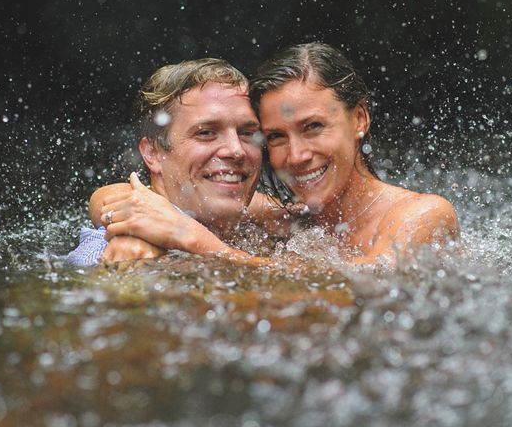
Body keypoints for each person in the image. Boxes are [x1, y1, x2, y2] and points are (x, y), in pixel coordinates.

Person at [96, 43, 458, 266]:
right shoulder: (283, 217)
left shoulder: (421, 215)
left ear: (360, 118)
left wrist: (193, 241)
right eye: (276, 136)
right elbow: (134, 197)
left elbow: (363, 289)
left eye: (314, 126)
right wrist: (131, 231)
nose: (297, 155)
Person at [66, 57, 283, 265]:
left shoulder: (262, 219)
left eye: (247, 133)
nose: (236, 151)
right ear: (152, 153)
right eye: (206, 133)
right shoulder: (127, 251)